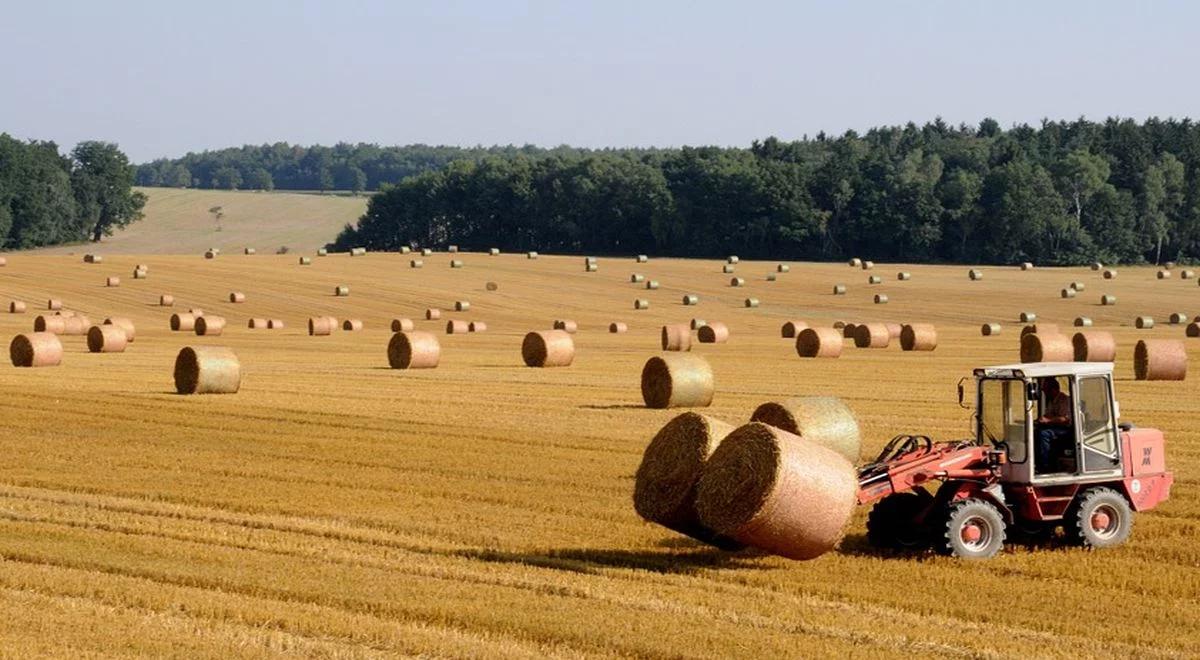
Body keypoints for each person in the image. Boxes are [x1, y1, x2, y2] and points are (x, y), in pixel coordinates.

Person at [1036, 378, 1072, 472]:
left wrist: (1048, 420)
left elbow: (1065, 419)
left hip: (1066, 430)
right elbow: (1048, 415)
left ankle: (1046, 464)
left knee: (1044, 434)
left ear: (1053, 390)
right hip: (1055, 427)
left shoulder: (1064, 400)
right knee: (1035, 431)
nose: (1044, 393)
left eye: (1045, 390)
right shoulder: (1052, 401)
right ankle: (1037, 461)